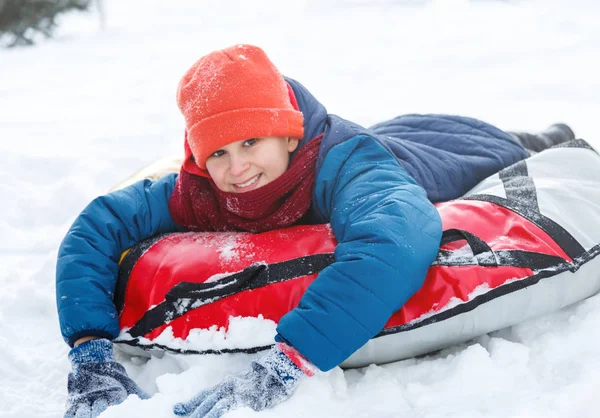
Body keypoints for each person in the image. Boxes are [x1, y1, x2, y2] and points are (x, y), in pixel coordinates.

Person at [56, 44, 574, 418]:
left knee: (500, 145)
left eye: (250, 142)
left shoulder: (345, 164)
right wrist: (89, 349)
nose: (236, 170)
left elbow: (397, 240)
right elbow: (96, 227)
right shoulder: (197, 190)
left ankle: (542, 134)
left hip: (439, 148)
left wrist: (290, 360)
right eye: (217, 152)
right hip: (389, 131)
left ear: (286, 133)